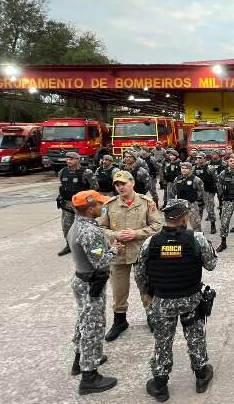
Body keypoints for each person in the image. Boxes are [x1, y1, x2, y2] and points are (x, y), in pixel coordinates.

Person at [134, 199, 218, 401]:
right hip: (190, 298)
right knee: (195, 337)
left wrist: (148, 292)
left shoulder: (151, 242)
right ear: (184, 218)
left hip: (162, 299)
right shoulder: (196, 239)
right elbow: (211, 265)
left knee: (163, 341)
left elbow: (139, 272)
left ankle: (160, 385)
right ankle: (200, 376)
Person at [97, 170, 162, 341]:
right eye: (117, 185)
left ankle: (152, 316)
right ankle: (120, 321)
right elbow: (100, 228)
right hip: (118, 253)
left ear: (132, 182)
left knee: (146, 287)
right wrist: (115, 235)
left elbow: (157, 225)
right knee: (119, 290)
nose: (120, 187)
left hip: (141, 252)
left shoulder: (147, 202)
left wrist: (137, 233)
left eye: (123, 183)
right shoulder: (109, 205)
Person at [68, 190, 120, 395]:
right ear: (90, 209)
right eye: (100, 205)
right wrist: (115, 249)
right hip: (91, 284)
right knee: (93, 328)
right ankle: (89, 377)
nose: (103, 207)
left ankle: (79, 360)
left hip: (82, 280)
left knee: (83, 320)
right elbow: (100, 261)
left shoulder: (78, 224)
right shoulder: (90, 231)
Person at [57, 152, 95, 256]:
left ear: (77, 160)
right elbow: (62, 185)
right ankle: (69, 245)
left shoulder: (86, 172)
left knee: (85, 225)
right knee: (66, 225)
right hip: (67, 203)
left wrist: (89, 204)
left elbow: (94, 188)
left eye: (71, 159)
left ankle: (88, 245)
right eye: (67, 159)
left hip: (81, 204)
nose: (68, 161)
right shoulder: (62, 172)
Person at [173, 162, 205, 234]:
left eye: (186, 168)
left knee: (196, 225)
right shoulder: (177, 179)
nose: (184, 170)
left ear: (190, 169)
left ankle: (199, 242)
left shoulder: (196, 179)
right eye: (182, 168)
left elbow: (201, 191)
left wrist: (197, 200)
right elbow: (174, 190)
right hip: (181, 205)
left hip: (192, 205)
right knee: (180, 226)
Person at [193, 153, 218, 234]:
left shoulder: (210, 168)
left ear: (204, 158)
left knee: (210, 209)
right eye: (197, 158)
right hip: (198, 192)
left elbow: (216, 180)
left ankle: (212, 224)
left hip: (208, 191)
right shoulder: (194, 168)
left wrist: (214, 191)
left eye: (200, 158)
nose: (198, 159)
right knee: (198, 210)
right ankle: (198, 227)